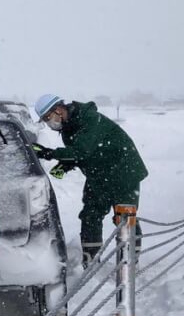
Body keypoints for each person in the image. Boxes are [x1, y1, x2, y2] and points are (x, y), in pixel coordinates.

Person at [32, 94, 148, 265]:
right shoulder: (67, 128)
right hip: (99, 174)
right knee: (90, 216)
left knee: (124, 216)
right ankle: (90, 260)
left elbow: (82, 151)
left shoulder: (89, 120)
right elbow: (79, 154)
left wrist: (47, 153)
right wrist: (66, 164)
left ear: (58, 110)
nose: (49, 123)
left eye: (48, 117)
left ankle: (129, 262)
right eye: (45, 120)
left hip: (124, 172)